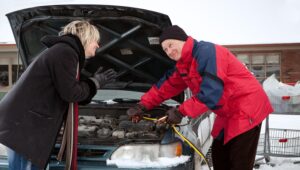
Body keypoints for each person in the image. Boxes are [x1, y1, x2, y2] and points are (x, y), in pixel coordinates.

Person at [127, 25, 273, 170]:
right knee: (219, 157)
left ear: (182, 40)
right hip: (226, 110)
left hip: (246, 106)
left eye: (171, 45)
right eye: (165, 49)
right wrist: (142, 105)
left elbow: (211, 92)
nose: (169, 51)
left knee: (238, 162)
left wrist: (180, 111)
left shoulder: (207, 52)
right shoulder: (183, 65)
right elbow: (166, 86)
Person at [0, 20, 117, 170]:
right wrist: (95, 83)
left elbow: (68, 90)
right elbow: (71, 93)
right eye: (96, 40)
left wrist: (93, 83)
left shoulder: (63, 51)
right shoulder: (65, 52)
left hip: (22, 126)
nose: (98, 45)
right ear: (86, 37)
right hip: (24, 128)